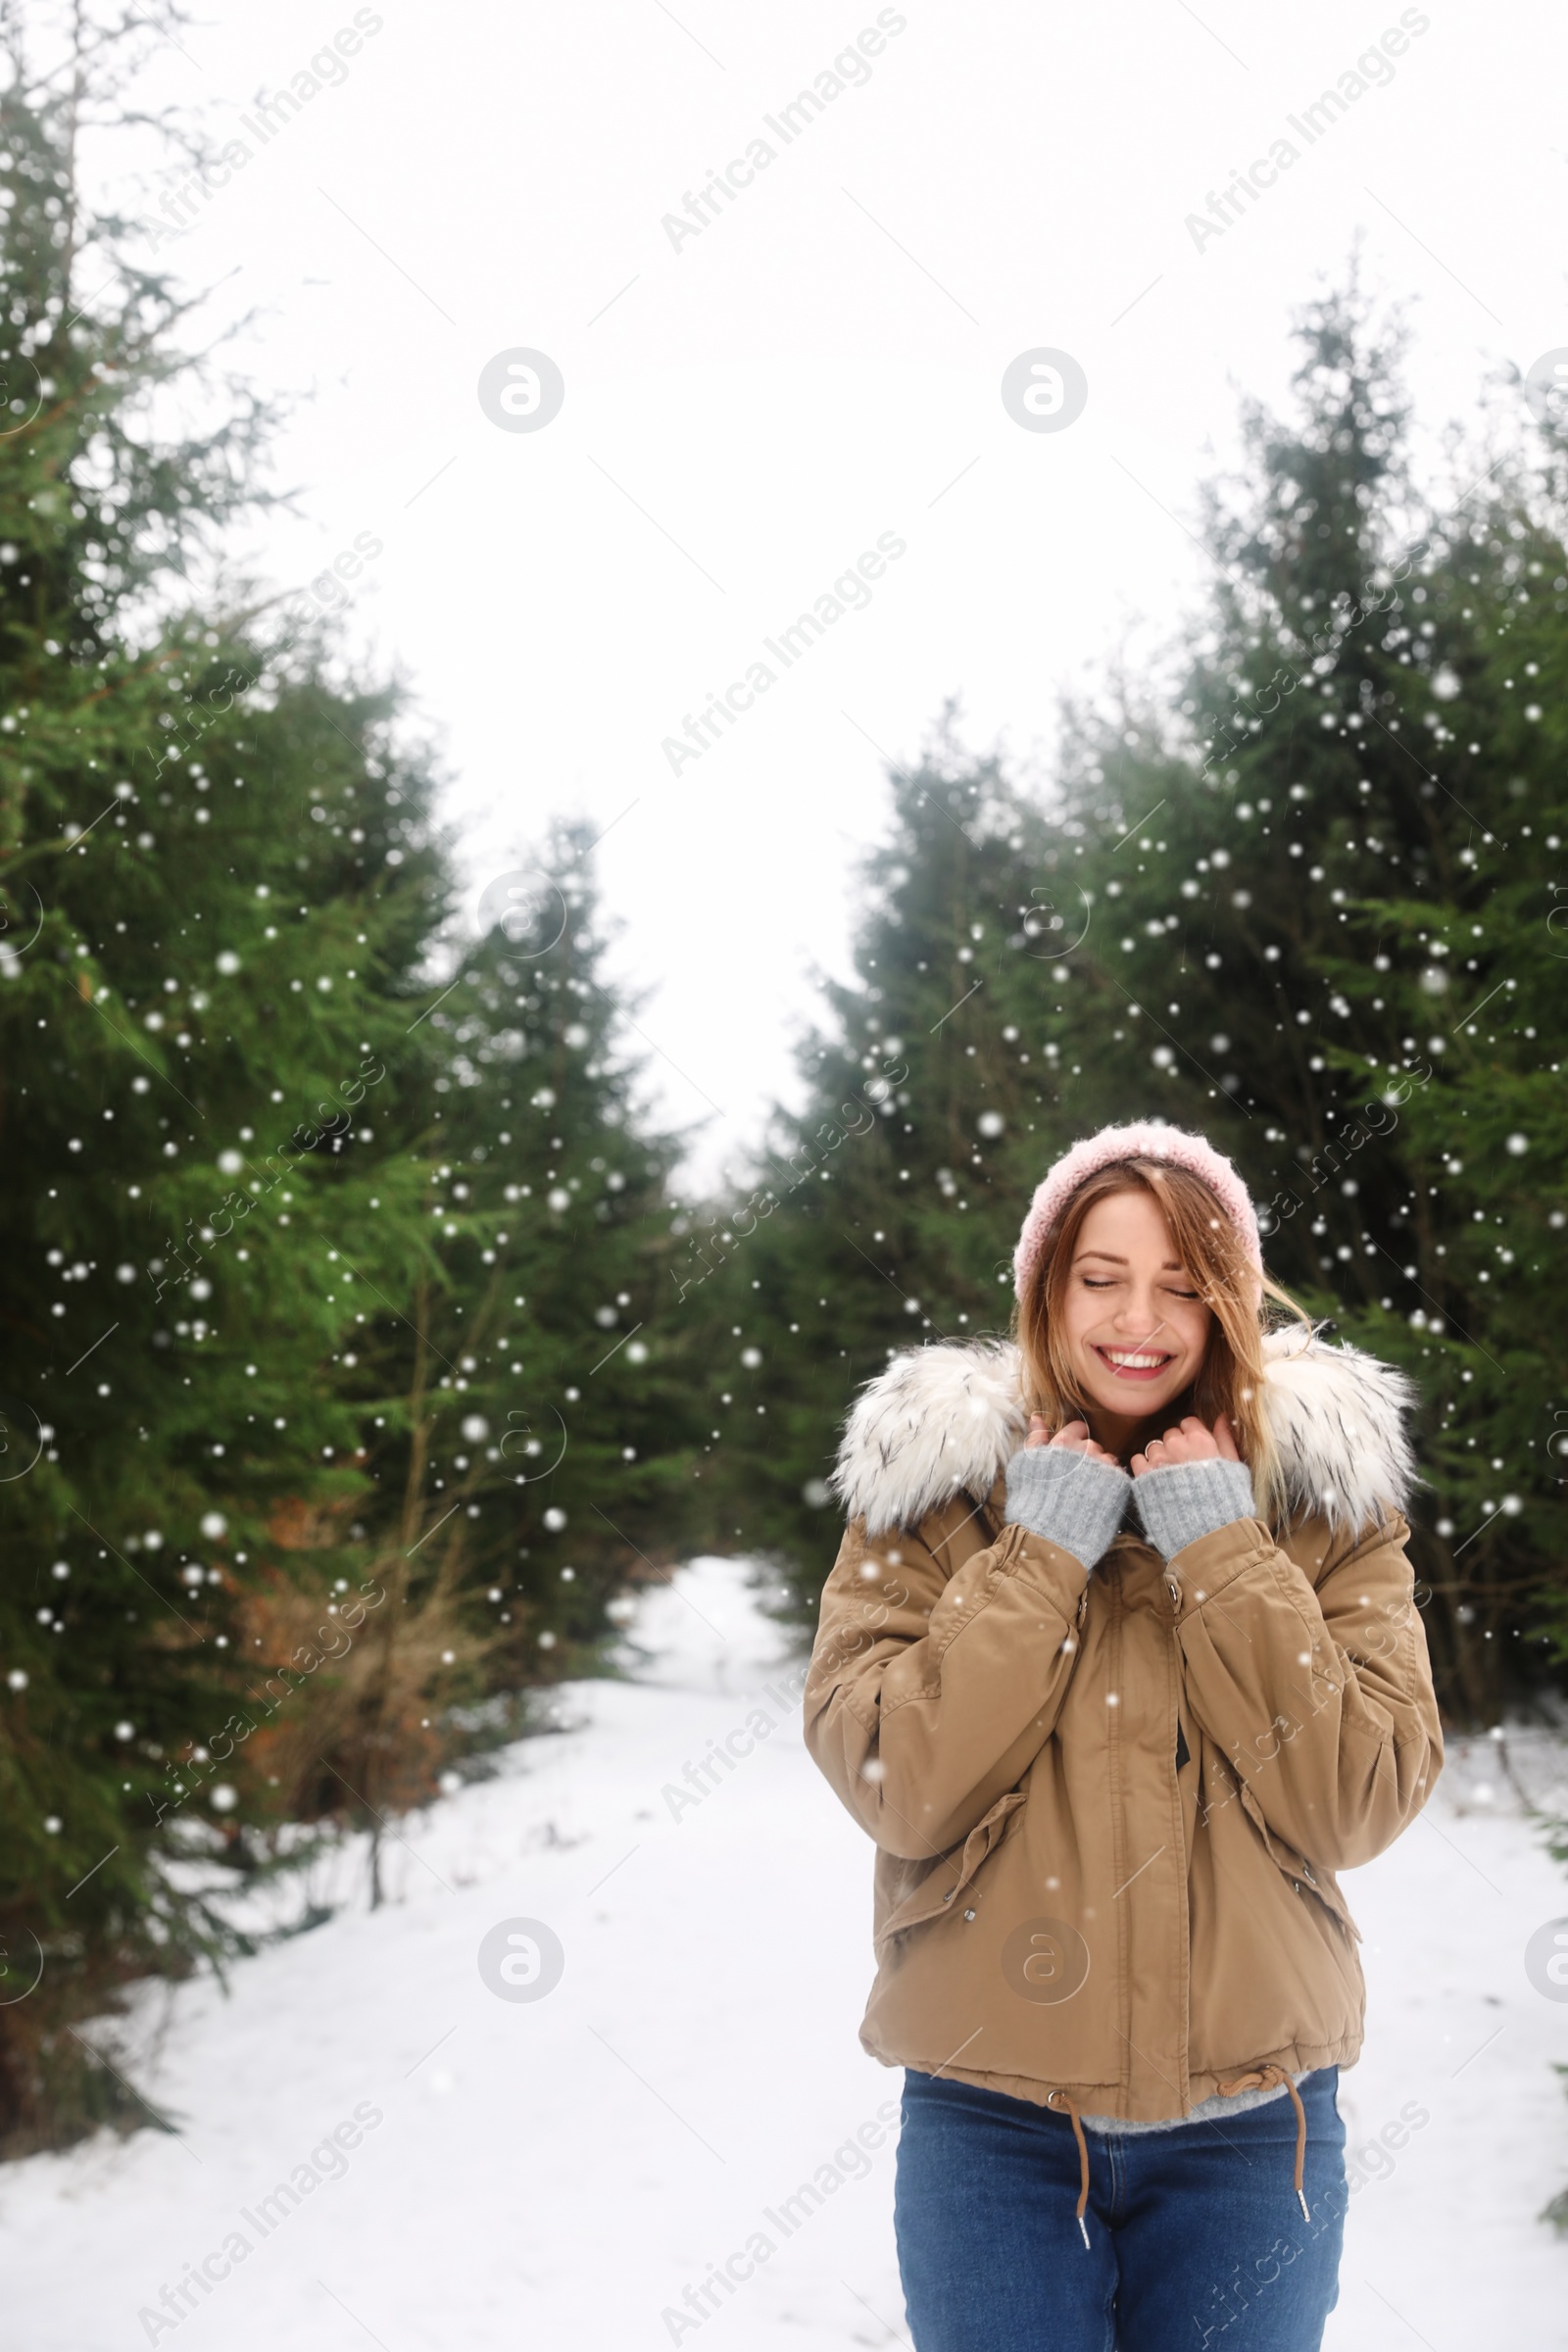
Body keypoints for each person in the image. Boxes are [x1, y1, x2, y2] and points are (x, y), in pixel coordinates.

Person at [803, 1121, 1443, 2352]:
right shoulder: (929, 1494)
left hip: (1259, 2129)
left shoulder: (1323, 1504)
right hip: (993, 2125)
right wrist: (1040, 1548)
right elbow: (899, 1780)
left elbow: (1358, 1797)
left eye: (1181, 1284)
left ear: (1230, 1307)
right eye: (1099, 1277)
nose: (1135, 1318)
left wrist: (1220, 1544)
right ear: (1046, 1290)